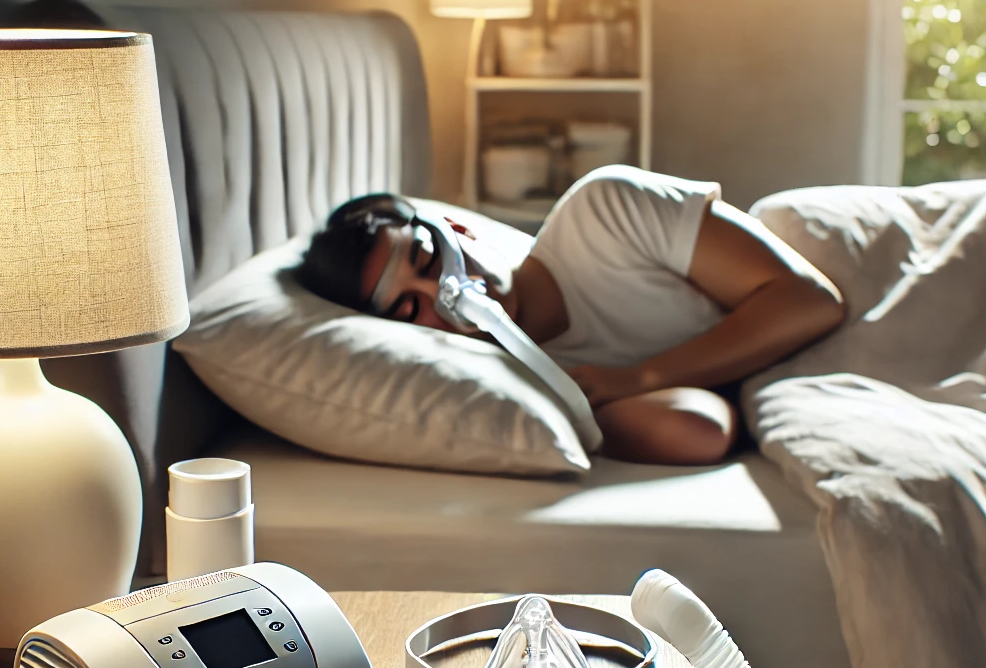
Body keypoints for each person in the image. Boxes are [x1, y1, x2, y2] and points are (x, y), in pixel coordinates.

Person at [294, 166, 846, 465]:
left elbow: (810, 299)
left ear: (454, 229)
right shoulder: (539, 391)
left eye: (428, 259)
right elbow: (699, 430)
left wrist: (639, 377)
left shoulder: (603, 211)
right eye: (411, 308)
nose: (445, 290)